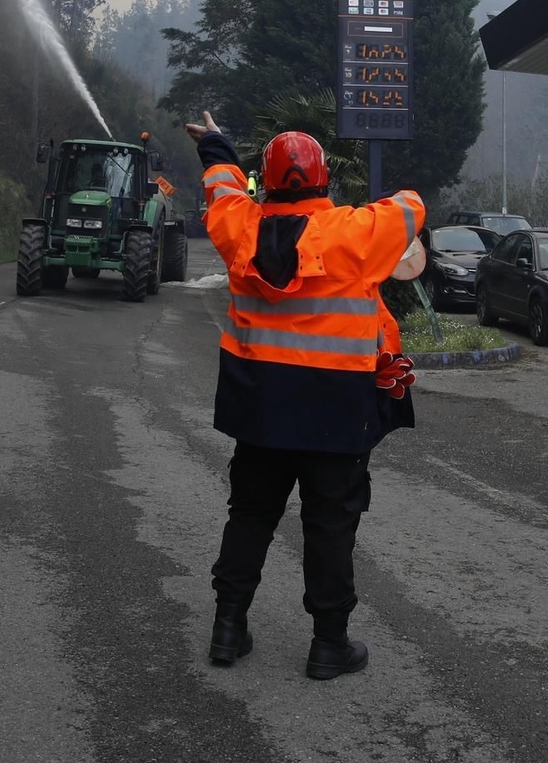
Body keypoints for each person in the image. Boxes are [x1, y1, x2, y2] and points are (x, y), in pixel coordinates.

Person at [185, 110, 422, 680]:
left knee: (250, 514)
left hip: (260, 407)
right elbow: (411, 205)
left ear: (262, 185)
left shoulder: (238, 229)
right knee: (330, 524)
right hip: (335, 411)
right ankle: (328, 645)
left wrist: (217, 143)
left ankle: (228, 629)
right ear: (323, 182)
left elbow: (221, 191)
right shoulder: (352, 232)